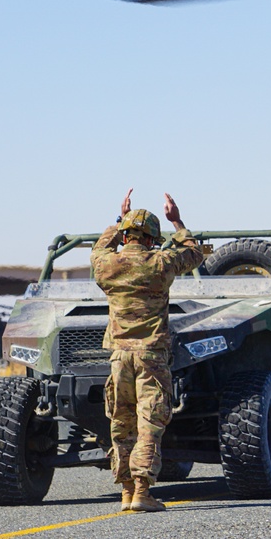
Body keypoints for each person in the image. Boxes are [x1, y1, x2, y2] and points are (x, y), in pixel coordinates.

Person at [91, 189, 204, 512]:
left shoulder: (106, 265)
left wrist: (118, 219)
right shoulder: (161, 262)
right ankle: (142, 492)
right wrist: (177, 221)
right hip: (151, 357)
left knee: (121, 422)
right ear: (153, 240)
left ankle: (126, 492)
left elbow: (100, 249)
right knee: (149, 424)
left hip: (119, 357)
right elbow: (194, 253)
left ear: (125, 235)